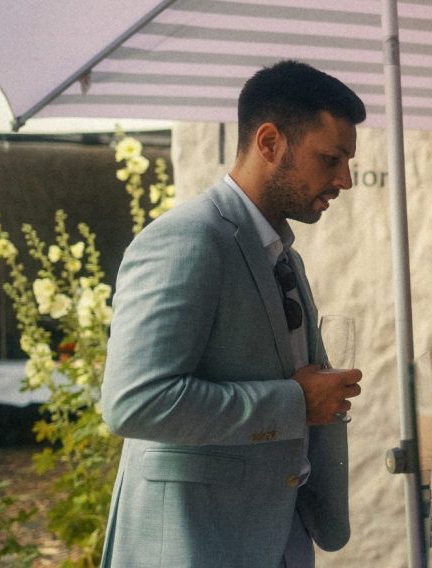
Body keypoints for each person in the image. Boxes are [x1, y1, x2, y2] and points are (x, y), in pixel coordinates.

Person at [100, 60, 365, 567]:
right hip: (196, 544)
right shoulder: (188, 239)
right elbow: (134, 403)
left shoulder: (283, 254)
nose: (345, 179)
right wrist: (294, 402)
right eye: (331, 158)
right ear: (270, 143)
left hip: (278, 534)